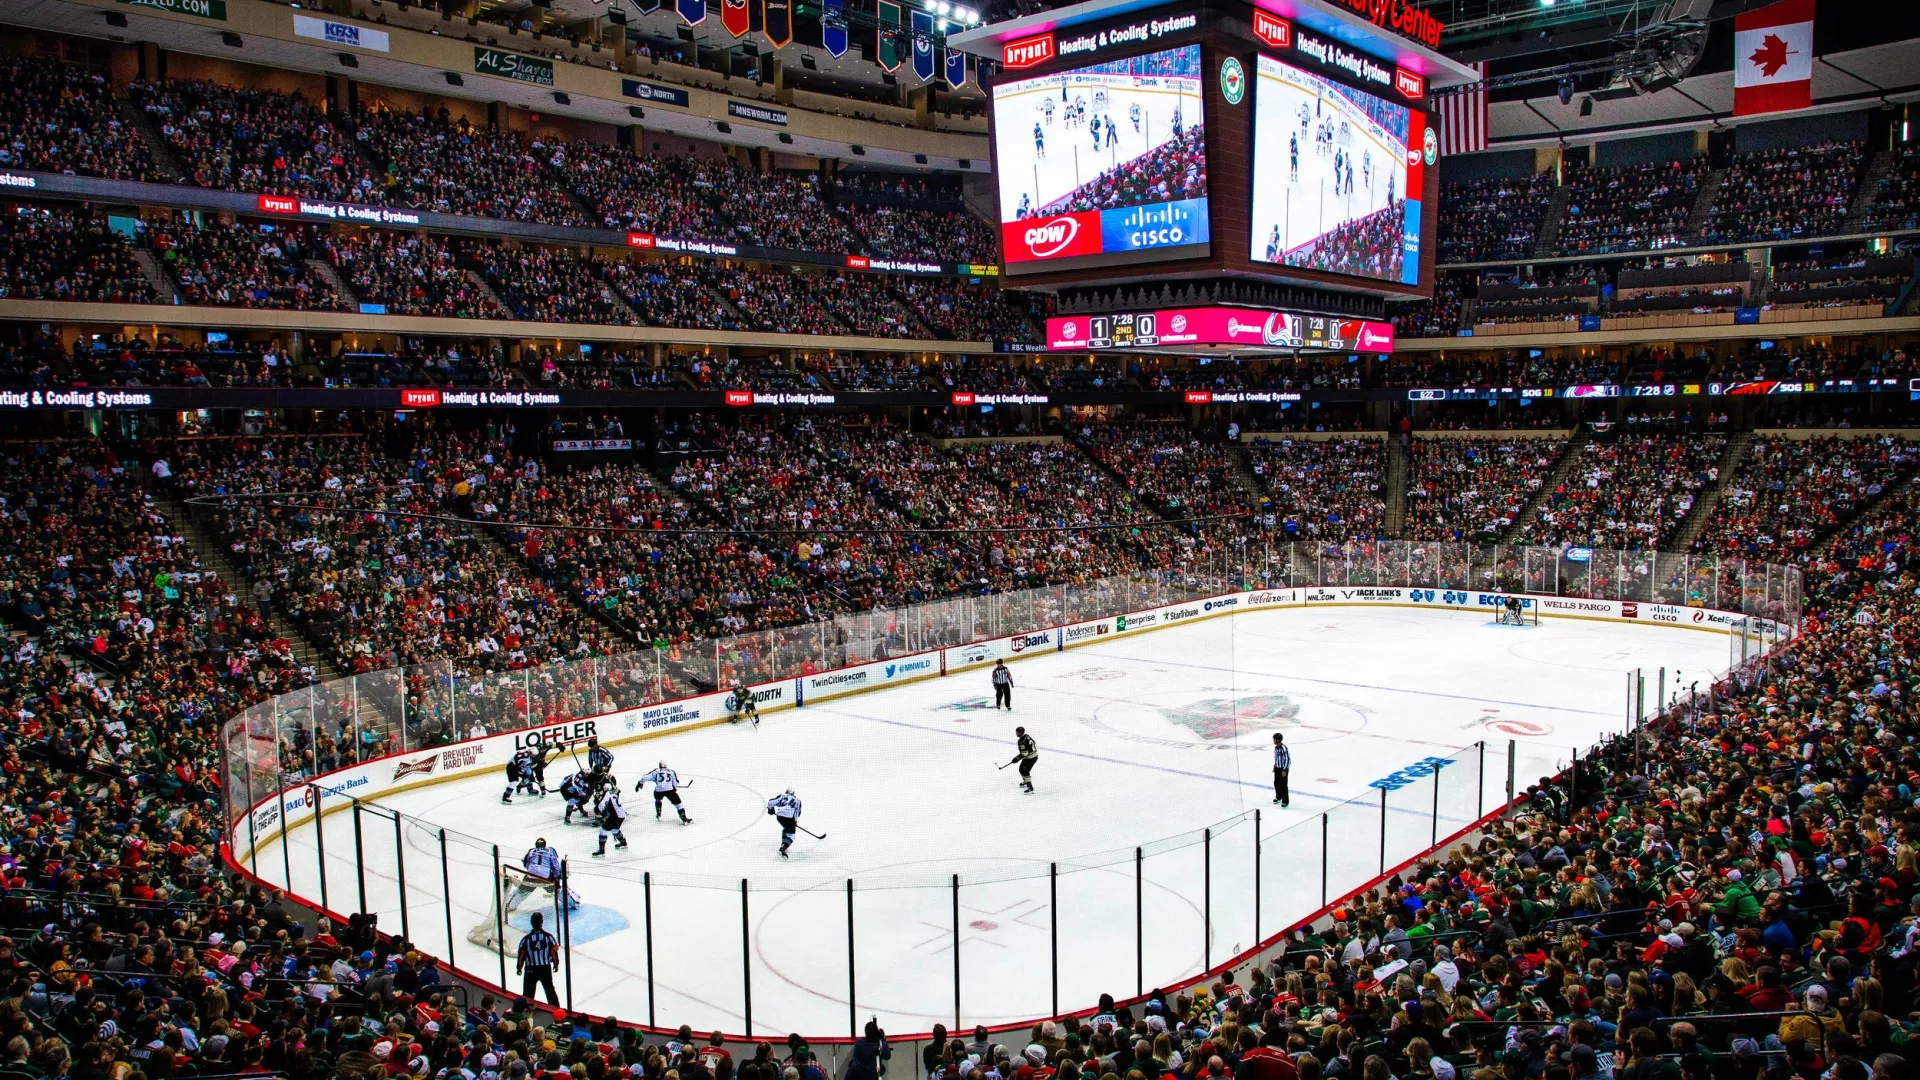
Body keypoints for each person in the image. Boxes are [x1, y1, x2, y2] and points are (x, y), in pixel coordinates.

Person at [515, 912, 560, 1006]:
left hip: (530, 969)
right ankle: (556, 1010)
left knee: (528, 993)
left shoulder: (526, 939)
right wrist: (556, 963)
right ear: (541, 922)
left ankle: (525, 1010)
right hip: (545, 968)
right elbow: (553, 950)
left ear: (531, 922)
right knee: (550, 991)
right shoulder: (548, 937)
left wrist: (519, 967)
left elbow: (521, 954)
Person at [591, 786, 628, 856]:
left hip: (615, 815)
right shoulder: (615, 793)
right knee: (614, 830)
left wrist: (599, 813)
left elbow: (601, 806)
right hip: (622, 814)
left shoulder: (607, 795)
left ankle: (601, 849)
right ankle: (623, 842)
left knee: (603, 830)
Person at [767, 789, 803, 859]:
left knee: (786, 829)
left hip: (779, 816)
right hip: (789, 817)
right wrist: (794, 821)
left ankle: (783, 845)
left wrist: (770, 810)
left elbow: (770, 802)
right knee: (791, 835)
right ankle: (782, 849)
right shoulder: (798, 800)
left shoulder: (783, 796)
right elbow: (797, 813)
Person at [1008, 727, 1038, 793]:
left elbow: (1025, 753)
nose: (1016, 733)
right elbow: (1033, 743)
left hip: (1030, 758)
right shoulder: (1027, 736)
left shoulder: (1021, 741)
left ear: (1020, 733)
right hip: (1033, 755)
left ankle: (1030, 787)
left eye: (1017, 732)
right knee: (1021, 769)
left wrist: (1017, 758)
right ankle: (1026, 781)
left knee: (1024, 771)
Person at [1272, 732, 1290, 807]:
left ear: (1279, 740)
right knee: (1276, 783)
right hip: (1277, 768)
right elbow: (1276, 758)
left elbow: (1287, 759)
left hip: (1283, 769)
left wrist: (1284, 770)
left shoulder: (1283, 748)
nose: (1274, 741)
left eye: (1275, 739)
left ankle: (1285, 800)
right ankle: (1279, 796)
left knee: (1283, 785)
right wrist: (1275, 765)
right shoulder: (1276, 748)